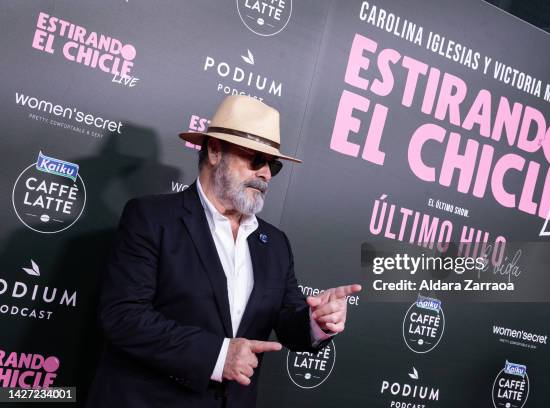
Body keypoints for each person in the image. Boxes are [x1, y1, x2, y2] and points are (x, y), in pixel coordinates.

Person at [86, 95, 361, 408]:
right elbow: (123, 317)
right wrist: (218, 355)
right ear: (215, 150)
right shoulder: (151, 218)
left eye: (272, 165)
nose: (266, 174)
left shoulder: (276, 244)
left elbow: (288, 322)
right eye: (255, 159)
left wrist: (318, 322)